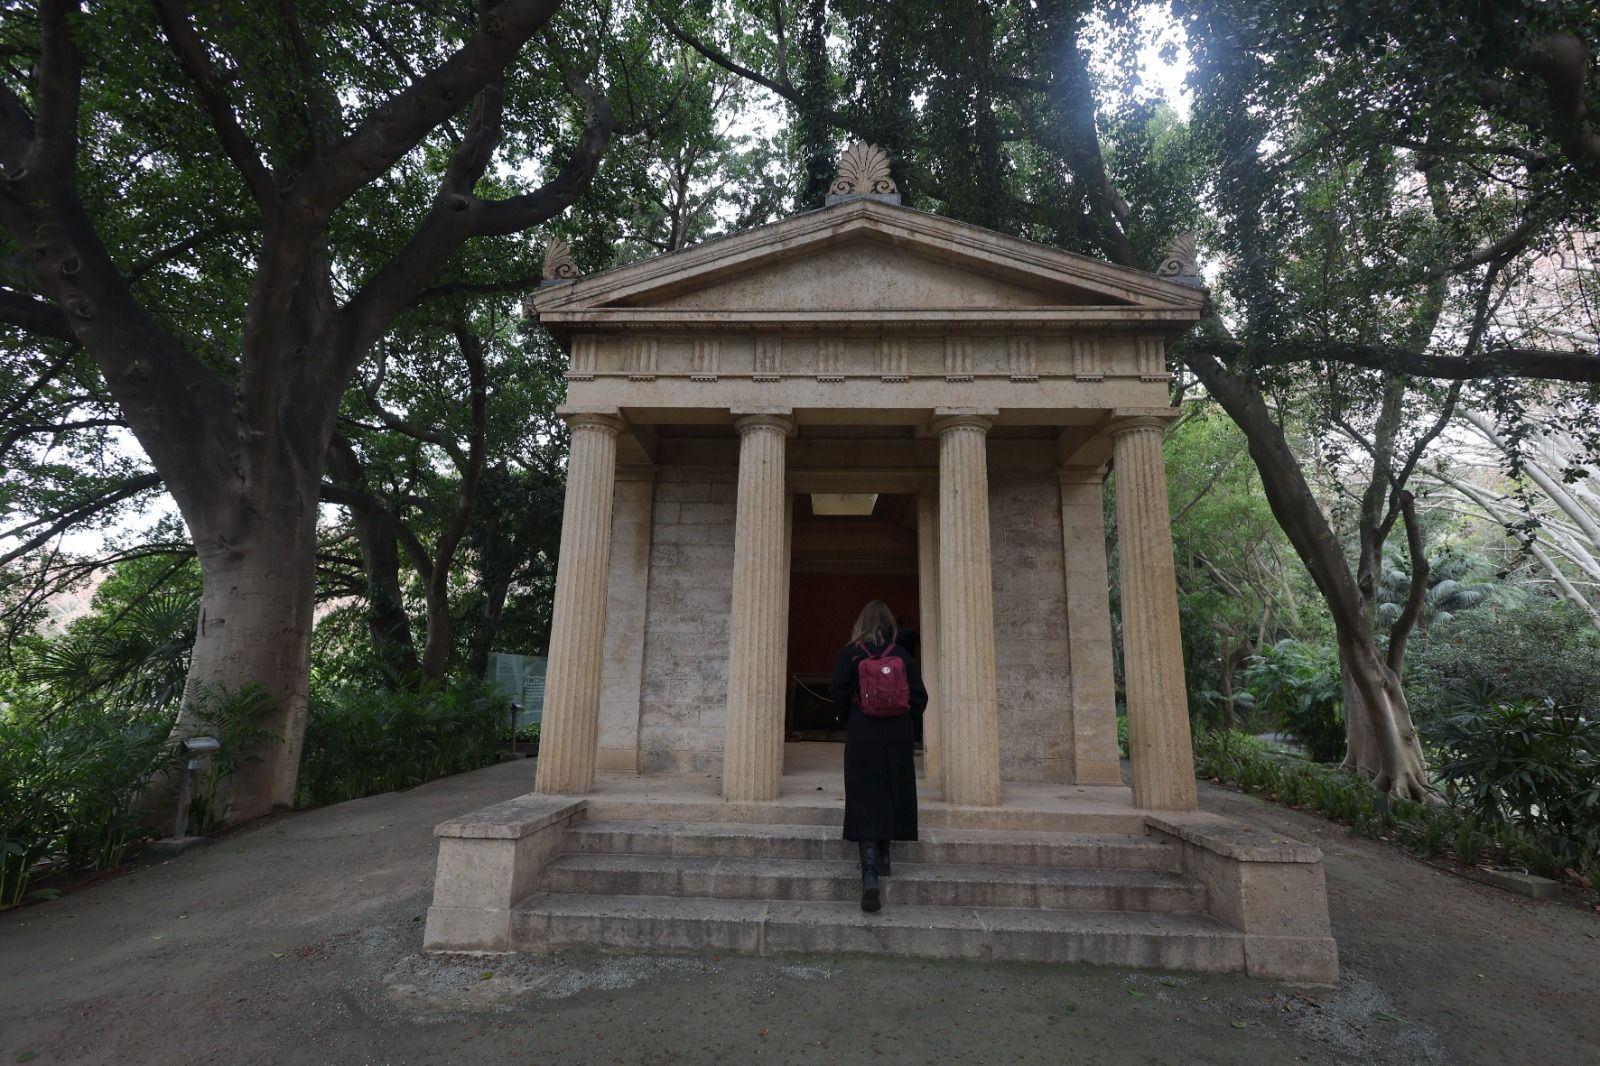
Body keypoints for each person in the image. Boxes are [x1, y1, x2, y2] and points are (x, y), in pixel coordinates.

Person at [829, 600, 928, 913]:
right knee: (892, 789)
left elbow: (838, 692)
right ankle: (885, 857)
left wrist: (849, 720)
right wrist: (907, 724)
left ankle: (869, 871)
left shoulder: (851, 654)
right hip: (897, 733)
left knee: (865, 795)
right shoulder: (901, 655)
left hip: (863, 732)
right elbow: (919, 697)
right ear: (890, 625)